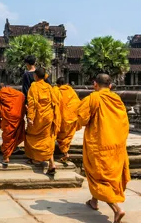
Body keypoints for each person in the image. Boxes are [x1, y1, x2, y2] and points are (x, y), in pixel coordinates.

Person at [77, 74, 130, 223]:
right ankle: (94, 201)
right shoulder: (117, 100)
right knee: (102, 176)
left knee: (99, 177)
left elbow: (82, 119)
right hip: (115, 145)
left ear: (95, 84)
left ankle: (117, 209)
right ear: (110, 86)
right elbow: (124, 122)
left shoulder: (93, 98)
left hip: (99, 145)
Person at [25, 67, 61, 175]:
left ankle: (36, 159)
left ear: (35, 76)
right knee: (47, 139)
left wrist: (30, 117)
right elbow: (55, 102)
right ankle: (51, 163)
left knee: (32, 136)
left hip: (38, 118)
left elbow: (32, 103)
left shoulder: (34, 86)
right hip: (48, 116)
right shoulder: (49, 87)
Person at [0, 83, 25, 167]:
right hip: (18, 116)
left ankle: (6, 157)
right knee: (16, 134)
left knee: (7, 136)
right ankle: (12, 148)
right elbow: (22, 96)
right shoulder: (16, 92)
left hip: (8, 117)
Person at [52, 77, 80, 163]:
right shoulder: (71, 91)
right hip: (71, 118)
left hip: (61, 119)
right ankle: (65, 153)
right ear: (66, 84)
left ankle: (62, 154)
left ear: (58, 84)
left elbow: (54, 103)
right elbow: (77, 102)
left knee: (58, 135)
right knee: (67, 137)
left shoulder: (56, 91)